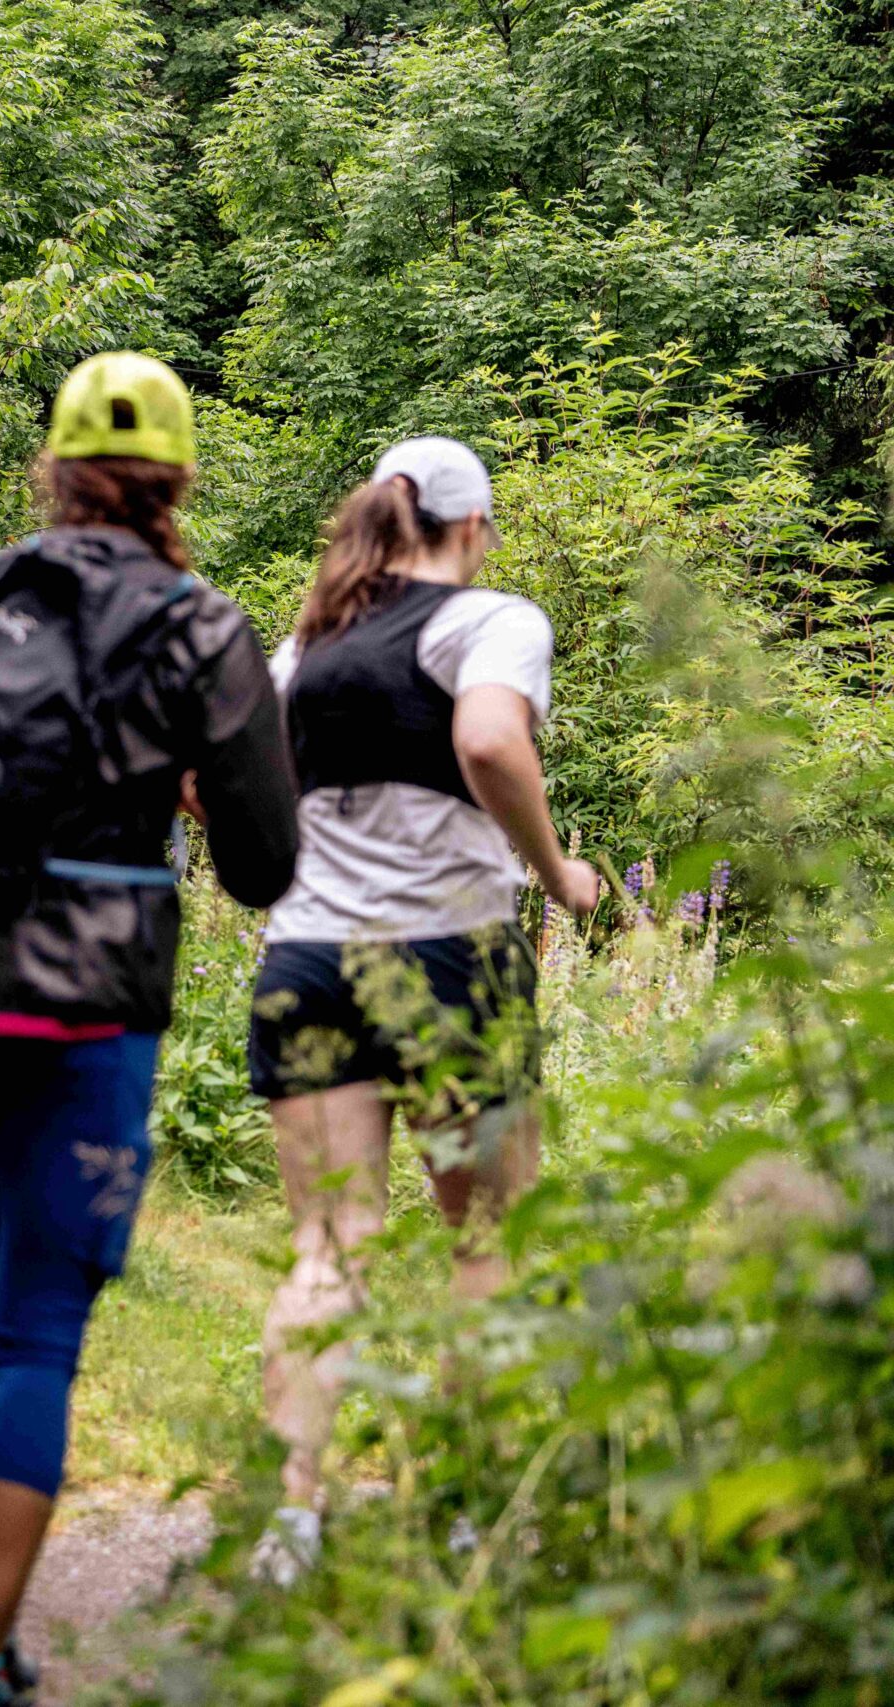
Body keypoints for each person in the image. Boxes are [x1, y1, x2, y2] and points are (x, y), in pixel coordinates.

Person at [0, 354, 301, 1707]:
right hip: (84, 1007)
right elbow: (261, 864)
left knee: (7, 1292)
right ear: (177, 480)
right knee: (45, 1316)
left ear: (52, 474)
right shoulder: (202, 627)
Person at [248, 436, 600, 1580]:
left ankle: (290, 1523)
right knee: (485, 1236)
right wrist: (556, 874)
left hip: (306, 958)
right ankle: (467, 1508)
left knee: (326, 1248)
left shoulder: (301, 647)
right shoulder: (488, 622)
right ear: (468, 526)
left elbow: (232, 789)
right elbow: (490, 738)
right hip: (449, 959)